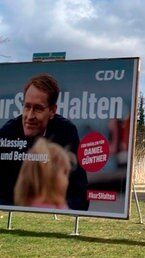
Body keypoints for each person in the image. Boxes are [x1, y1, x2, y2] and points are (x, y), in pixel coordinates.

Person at [0, 74, 89, 210]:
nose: (29, 116)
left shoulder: (66, 132)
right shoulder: (7, 133)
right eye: (27, 106)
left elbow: (79, 192)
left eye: (38, 109)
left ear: (52, 111)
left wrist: (58, 211)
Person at [14, 138, 74, 209]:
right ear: (50, 176)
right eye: (65, 172)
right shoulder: (57, 211)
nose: (67, 180)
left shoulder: (23, 208)